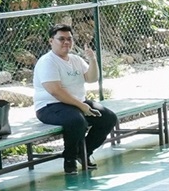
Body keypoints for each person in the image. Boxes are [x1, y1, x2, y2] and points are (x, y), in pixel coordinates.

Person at [31, 24, 119, 174]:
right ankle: (69, 159)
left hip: (76, 104)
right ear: (51, 41)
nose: (66, 42)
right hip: (50, 106)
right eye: (61, 39)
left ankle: (83, 152)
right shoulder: (47, 62)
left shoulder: (76, 59)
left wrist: (92, 60)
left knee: (109, 118)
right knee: (77, 121)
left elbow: (92, 78)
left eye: (69, 39)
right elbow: (56, 91)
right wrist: (82, 106)